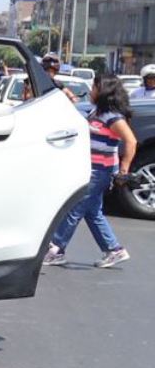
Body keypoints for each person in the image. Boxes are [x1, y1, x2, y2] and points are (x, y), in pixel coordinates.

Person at [45, 76, 137, 269]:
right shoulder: (98, 112)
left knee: (75, 208)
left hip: (100, 171)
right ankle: (113, 249)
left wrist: (124, 170)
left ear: (103, 90)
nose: (91, 90)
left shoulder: (114, 117)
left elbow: (131, 141)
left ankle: (56, 249)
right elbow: (73, 107)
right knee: (93, 212)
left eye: (94, 87)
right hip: (90, 168)